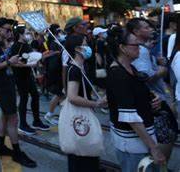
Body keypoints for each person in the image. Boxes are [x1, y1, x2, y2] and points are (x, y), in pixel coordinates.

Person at [106, 26, 166, 171]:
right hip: (133, 146)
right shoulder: (118, 75)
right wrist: (154, 147)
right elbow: (130, 116)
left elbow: (137, 94)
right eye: (136, 45)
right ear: (122, 48)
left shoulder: (131, 68)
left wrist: (153, 98)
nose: (141, 47)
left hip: (142, 140)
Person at [0, 17, 37, 168]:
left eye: (11, 30)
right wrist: (9, 62)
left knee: (5, 117)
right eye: (7, 30)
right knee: (13, 120)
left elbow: (11, 61)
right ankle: (17, 152)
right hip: (2, 86)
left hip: (8, 83)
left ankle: (0, 147)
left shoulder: (3, 43)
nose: (10, 32)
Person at [64, 34, 107, 171]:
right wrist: (95, 104)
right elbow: (72, 96)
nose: (88, 47)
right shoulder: (75, 70)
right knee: (82, 151)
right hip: (80, 115)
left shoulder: (80, 67)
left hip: (83, 112)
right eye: (85, 44)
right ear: (77, 49)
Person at [11, 26, 49, 135]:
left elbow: (31, 58)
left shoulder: (27, 45)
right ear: (20, 35)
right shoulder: (16, 47)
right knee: (24, 98)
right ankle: (23, 124)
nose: (29, 35)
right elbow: (14, 63)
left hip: (29, 75)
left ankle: (36, 121)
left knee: (35, 96)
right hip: (20, 77)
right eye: (27, 33)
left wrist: (40, 58)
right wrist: (29, 65)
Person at [44, 24, 65, 125]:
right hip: (56, 72)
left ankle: (65, 115)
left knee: (62, 95)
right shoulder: (53, 42)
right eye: (58, 31)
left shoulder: (57, 41)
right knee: (58, 94)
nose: (60, 32)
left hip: (57, 70)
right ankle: (49, 115)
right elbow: (53, 59)